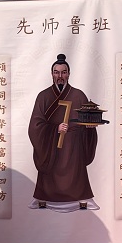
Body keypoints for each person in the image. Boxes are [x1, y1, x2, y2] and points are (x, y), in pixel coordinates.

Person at [28, 53, 98, 211]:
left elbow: (87, 118)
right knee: (48, 172)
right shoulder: (43, 96)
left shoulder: (78, 95)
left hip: (73, 147)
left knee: (76, 172)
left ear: (69, 74)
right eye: (56, 72)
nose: (60, 76)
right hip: (51, 147)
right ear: (52, 74)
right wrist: (54, 129)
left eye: (63, 72)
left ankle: (84, 198)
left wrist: (89, 129)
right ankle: (41, 198)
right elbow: (35, 125)